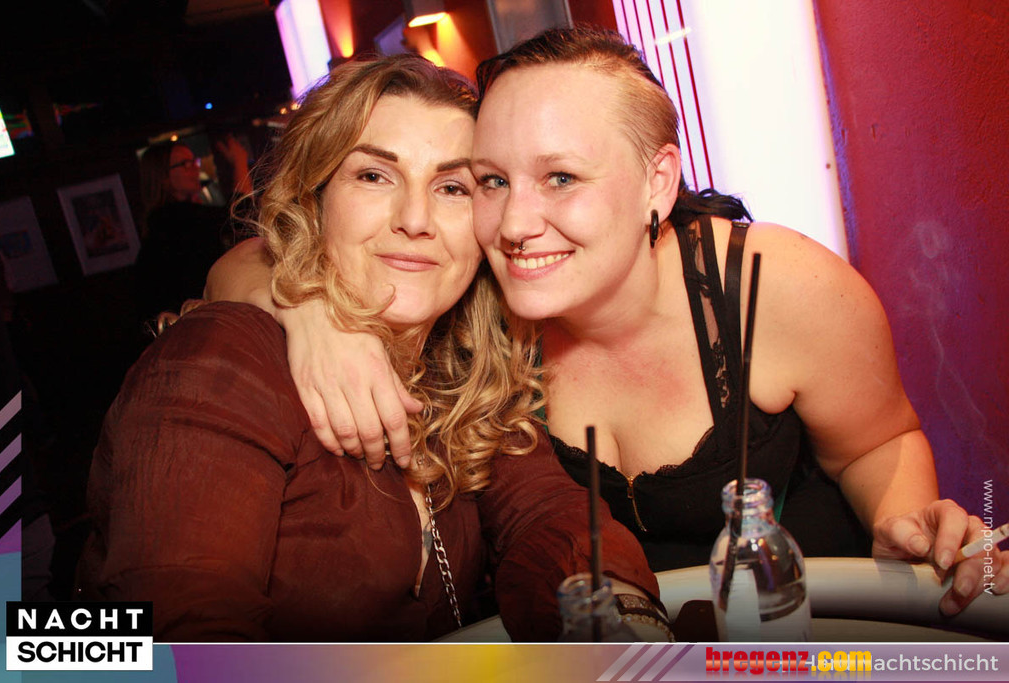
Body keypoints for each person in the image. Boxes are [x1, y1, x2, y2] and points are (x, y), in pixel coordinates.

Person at [205, 28, 1006, 617]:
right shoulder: (475, 299)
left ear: (658, 180)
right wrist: (315, 316)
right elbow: (240, 267)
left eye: (561, 177)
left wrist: (902, 523)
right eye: (490, 181)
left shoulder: (773, 288)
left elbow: (878, 441)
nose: (516, 224)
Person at [76, 53, 666, 642]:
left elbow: (547, 515)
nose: (415, 219)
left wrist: (621, 617)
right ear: (314, 199)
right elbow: (182, 636)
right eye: (374, 176)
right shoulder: (222, 363)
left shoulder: (456, 373)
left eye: (453, 187)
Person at [134, 135, 252, 324]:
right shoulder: (171, 219)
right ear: (163, 177)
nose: (195, 168)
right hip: (197, 321)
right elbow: (240, 216)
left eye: (193, 161)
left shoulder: (172, 218)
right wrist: (239, 162)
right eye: (185, 164)